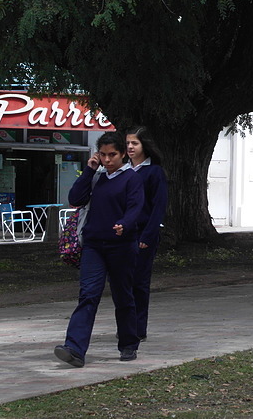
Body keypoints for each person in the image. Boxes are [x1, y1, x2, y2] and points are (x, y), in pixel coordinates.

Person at [54, 132, 144, 367]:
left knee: (123, 296)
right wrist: (89, 170)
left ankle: (128, 344)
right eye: (102, 155)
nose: (107, 159)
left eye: (112, 155)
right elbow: (75, 198)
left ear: (123, 154)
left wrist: (124, 224)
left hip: (122, 246)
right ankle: (74, 348)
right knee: (88, 296)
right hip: (93, 246)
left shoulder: (132, 179)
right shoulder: (97, 177)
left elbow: (136, 208)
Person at [124, 127, 168, 341]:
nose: (130, 147)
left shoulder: (154, 172)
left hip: (143, 235)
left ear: (144, 146)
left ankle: (138, 328)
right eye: (128, 143)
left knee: (139, 283)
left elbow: (158, 207)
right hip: (122, 235)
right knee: (123, 283)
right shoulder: (123, 170)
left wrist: (147, 237)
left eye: (135, 143)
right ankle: (125, 326)